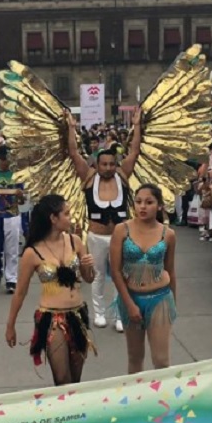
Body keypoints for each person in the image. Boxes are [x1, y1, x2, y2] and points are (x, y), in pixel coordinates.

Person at [6, 194, 96, 386]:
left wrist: (87, 265)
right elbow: (20, 292)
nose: (70, 218)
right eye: (66, 214)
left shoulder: (75, 241)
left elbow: (89, 278)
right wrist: (10, 326)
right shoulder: (32, 252)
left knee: (76, 379)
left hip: (78, 315)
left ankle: (75, 414)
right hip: (52, 320)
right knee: (62, 378)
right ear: (53, 219)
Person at [66, 108, 142, 332]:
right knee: (98, 275)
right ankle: (99, 313)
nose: (108, 168)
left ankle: (120, 314)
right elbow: (73, 152)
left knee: (121, 275)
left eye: (111, 164)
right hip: (96, 235)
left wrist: (136, 125)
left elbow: (135, 151)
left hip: (120, 235)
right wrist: (71, 127)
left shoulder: (123, 174)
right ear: (97, 165)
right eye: (104, 164)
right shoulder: (88, 177)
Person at [109, 184, 177, 373]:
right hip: (131, 297)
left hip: (160, 298)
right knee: (135, 358)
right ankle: (135, 400)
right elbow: (115, 271)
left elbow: (171, 270)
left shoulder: (168, 234)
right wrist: (129, 304)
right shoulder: (121, 230)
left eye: (149, 202)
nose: (142, 207)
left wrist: (174, 303)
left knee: (162, 360)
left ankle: (161, 400)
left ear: (160, 206)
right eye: (138, 202)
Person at [0, 145, 25, 293]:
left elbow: (22, 201)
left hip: (12, 215)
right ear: (0, 158)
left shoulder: (17, 175)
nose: (10, 162)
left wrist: (21, 196)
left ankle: (11, 279)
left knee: (12, 249)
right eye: (7, 158)